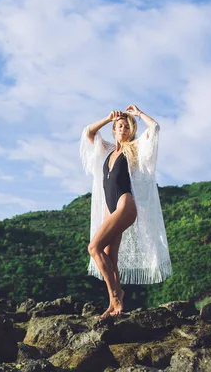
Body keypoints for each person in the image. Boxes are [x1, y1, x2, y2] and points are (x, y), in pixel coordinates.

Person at [80, 104, 172, 319]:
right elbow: (88, 132)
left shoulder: (135, 148)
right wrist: (108, 118)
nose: (123, 129)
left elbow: (155, 128)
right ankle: (114, 305)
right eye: (119, 126)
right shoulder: (107, 150)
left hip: (125, 205)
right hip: (110, 208)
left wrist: (138, 114)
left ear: (131, 130)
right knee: (110, 258)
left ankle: (115, 296)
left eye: (127, 127)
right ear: (114, 129)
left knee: (94, 247)